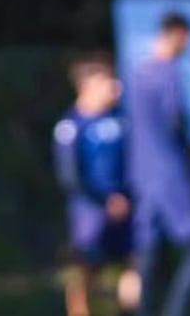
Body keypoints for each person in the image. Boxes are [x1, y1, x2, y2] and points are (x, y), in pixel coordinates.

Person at [126, 12, 190, 316]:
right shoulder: (169, 73)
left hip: (142, 175)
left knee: (149, 255)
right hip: (171, 173)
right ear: (177, 34)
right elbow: (176, 121)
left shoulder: (137, 73)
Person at [53, 52, 141, 316]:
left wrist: (128, 196)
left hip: (127, 207)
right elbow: (70, 177)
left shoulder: (122, 119)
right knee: (85, 271)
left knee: (137, 264)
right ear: (87, 85)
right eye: (107, 81)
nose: (116, 87)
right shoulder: (71, 126)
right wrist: (104, 201)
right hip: (90, 212)